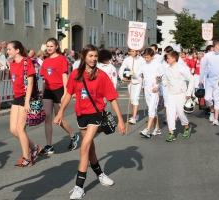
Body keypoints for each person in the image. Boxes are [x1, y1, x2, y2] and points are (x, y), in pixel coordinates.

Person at [53, 44, 126, 199]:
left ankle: (79, 186)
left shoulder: (101, 75)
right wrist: (60, 112)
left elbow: (112, 98)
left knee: (84, 147)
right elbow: (68, 95)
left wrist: (120, 119)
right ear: (84, 56)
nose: (93, 59)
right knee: (90, 149)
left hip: (96, 114)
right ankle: (100, 174)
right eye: (90, 56)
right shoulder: (75, 75)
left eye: (95, 56)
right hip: (81, 114)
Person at [39, 38, 78, 155]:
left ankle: (73, 136)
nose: (49, 48)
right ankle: (49, 145)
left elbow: (64, 77)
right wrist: (42, 93)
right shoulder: (45, 61)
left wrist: (66, 93)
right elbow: (45, 79)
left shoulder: (62, 59)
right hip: (48, 91)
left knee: (59, 120)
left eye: (51, 46)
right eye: (48, 46)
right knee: (47, 118)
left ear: (56, 46)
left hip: (59, 90)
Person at [7, 40, 42, 167]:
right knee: (13, 130)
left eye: (10, 49)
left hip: (25, 96)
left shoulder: (27, 62)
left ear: (17, 50)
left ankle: (27, 158)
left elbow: (31, 82)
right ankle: (34, 147)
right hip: (16, 96)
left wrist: (27, 102)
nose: (8, 51)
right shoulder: (11, 63)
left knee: (20, 129)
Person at [164, 51, 194, 142]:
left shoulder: (182, 68)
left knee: (181, 113)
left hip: (181, 93)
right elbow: (165, 82)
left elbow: (191, 80)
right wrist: (159, 81)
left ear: (174, 58)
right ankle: (171, 133)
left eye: (168, 58)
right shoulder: (167, 69)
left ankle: (187, 127)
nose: (167, 60)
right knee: (170, 113)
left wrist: (189, 93)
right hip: (170, 94)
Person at [199, 40, 219, 126]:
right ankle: (212, 111)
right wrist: (200, 81)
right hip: (208, 80)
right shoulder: (207, 55)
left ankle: (216, 118)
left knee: (217, 99)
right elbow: (202, 68)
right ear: (215, 46)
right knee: (207, 98)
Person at [136, 48, 162, 138]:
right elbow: (137, 74)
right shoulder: (143, 65)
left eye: (148, 57)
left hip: (154, 89)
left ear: (152, 56)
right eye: (145, 57)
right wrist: (130, 74)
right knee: (152, 109)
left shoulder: (157, 65)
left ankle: (147, 130)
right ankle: (157, 128)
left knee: (151, 109)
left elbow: (162, 76)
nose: (146, 59)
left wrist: (157, 86)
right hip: (147, 89)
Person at [118, 49, 145, 124]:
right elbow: (121, 69)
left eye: (133, 51)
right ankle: (136, 114)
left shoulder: (141, 60)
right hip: (130, 81)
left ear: (137, 51)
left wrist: (144, 84)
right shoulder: (127, 59)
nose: (131, 53)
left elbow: (144, 71)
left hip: (138, 81)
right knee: (132, 98)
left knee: (135, 98)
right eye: (130, 51)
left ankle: (133, 117)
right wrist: (122, 77)